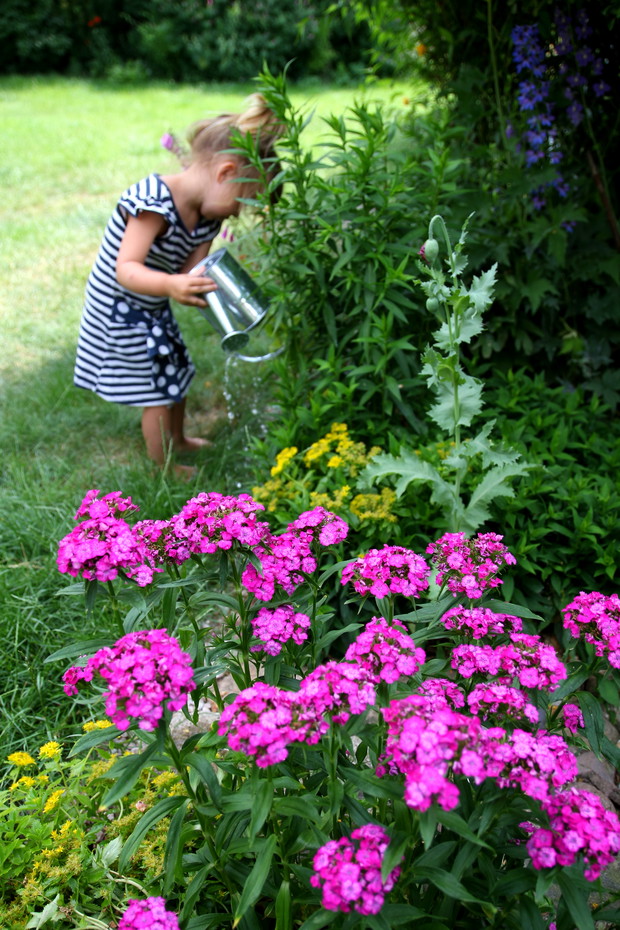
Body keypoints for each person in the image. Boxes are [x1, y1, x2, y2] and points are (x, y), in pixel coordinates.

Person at [74, 94, 281, 473]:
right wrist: (172, 286)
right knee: (154, 390)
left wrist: (217, 290)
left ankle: (179, 440)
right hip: (119, 313)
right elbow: (127, 268)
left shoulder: (207, 216)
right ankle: (162, 465)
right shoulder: (152, 202)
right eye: (243, 200)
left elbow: (194, 269)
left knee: (178, 370)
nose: (239, 212)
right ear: (225, 172)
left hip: (151, 305)